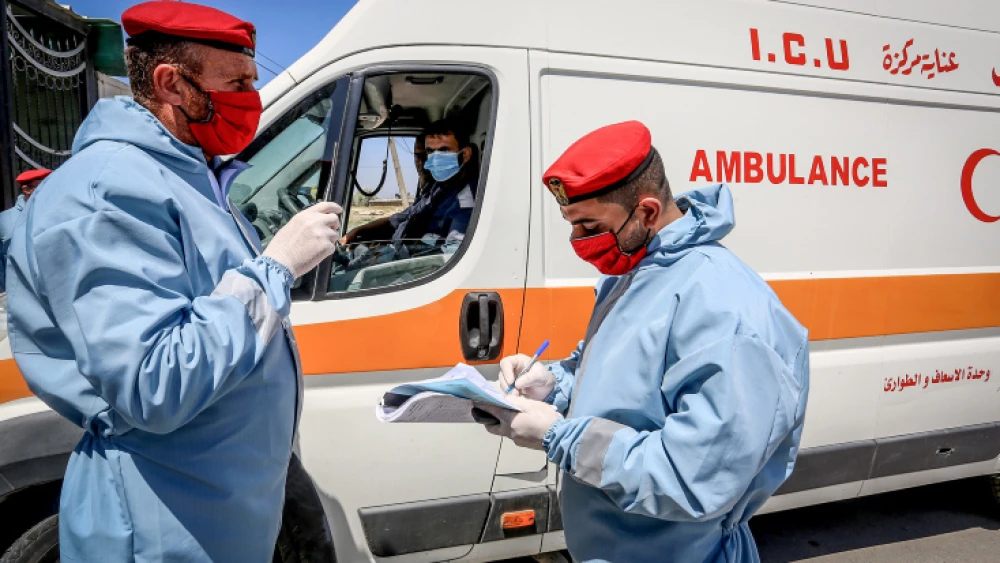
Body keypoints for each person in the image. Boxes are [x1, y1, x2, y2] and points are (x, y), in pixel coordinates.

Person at [6, 2, 341, 562]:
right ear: (172, 83)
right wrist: (275, 269)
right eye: (235, 82)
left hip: (211, 512)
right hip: (165, 525)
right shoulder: (107, 191)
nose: (249, 98)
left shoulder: (184, 174)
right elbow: (153, 381)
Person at [476, 121, 810, 563]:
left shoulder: (723, 303)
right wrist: (553, 383)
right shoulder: (636, 271)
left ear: (647, 212)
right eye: (571, 225)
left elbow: (693, 476)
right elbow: (619, 384)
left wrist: (558, 436)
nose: (577, 240)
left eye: (588, 225)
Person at [341, 118, 476, 245]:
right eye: (430, 151)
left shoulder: (466, 202)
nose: (435, 158)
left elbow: (449, 255)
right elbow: (399, 219)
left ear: (465, 154)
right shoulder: (435, 188)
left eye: (444, 150)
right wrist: (358, 230)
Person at [0, 168, 50, 293]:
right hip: (18, 292)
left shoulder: (58, 214)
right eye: (44, 185)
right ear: (27, 190)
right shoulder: (5, 220)